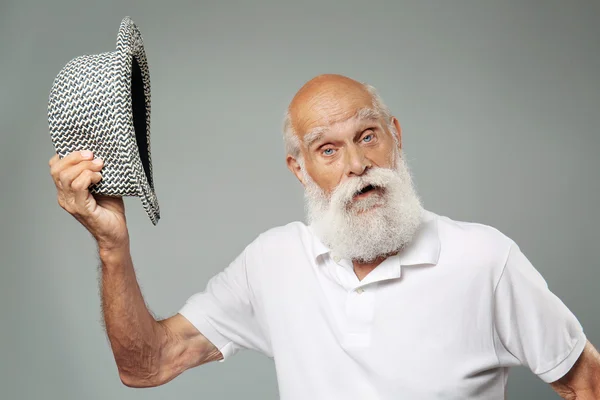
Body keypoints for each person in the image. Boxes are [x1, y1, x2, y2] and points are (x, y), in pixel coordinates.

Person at [48, 74, 600, 399]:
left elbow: (585, 382)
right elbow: (147, 365)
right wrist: (112, 248)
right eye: (328, 150)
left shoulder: (485, 260)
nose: (358, 165)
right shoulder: (273, 262)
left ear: (396, 138)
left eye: (368, 136)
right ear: (300, 168)